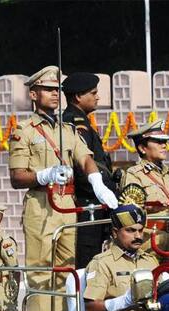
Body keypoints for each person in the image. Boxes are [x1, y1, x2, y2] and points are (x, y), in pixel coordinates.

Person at [9, 65, 116, 311]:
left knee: (66, 271)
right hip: (41, 205)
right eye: (47, 90)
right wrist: (43, 175)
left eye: (57, 89)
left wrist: (97, 182)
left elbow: (85, 157)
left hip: (67, 204)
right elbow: (17, 177)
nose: (55, 94)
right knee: (40, 273)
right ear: (34, 95)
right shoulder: (23, 131)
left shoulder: (66, 130)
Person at [84, 204, 159, 311]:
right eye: (130, 230)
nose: (138, 236)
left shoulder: (150, 260)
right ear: (115, 233)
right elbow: (90, 308)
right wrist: (124, 301)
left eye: (140, 230)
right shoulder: (102, 262)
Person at [61, 72, 119, 269]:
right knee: (85, 263)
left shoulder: (82, 120)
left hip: (95, 203)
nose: (97, 97)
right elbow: (81, 163)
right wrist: (101, 188)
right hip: (87, 204)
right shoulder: (74, 122)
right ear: (78, 96)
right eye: (93, 93)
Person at [121, 120, 169, 257]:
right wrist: (150, 208)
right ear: (142, 148)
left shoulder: (168, 174)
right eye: (158, 142)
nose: (164, 146)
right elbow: (128, 211)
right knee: (150, 277)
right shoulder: (134, 174)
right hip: (150, 238)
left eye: (165, 142)